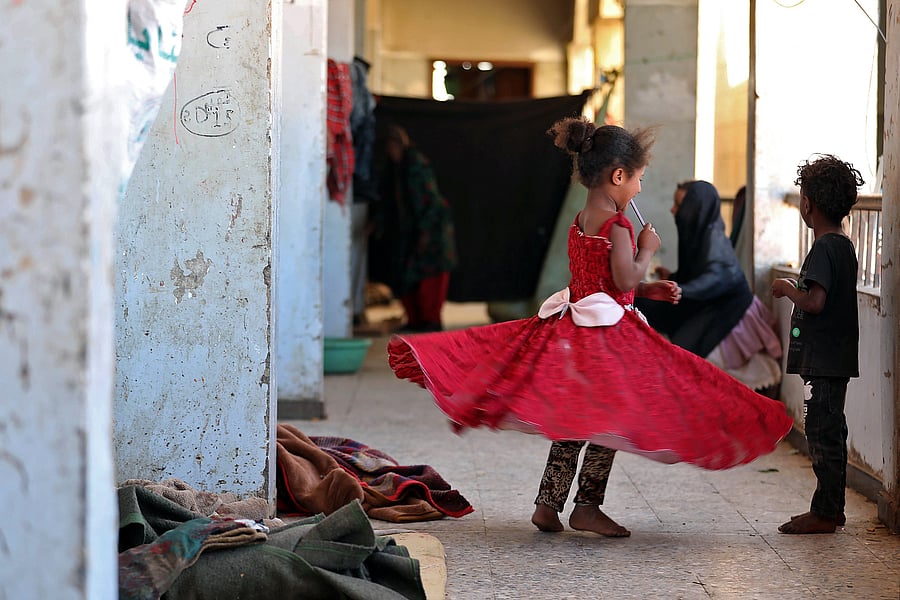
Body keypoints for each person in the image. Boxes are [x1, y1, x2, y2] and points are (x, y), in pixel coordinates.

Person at [387, 116, 793, 537]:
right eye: (638, 179)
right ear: (618, 175)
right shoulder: (618, 226)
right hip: (607, 341)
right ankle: (587, 506)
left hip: (577, 331)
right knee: (609, 422)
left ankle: (548, 504)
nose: (638, 188)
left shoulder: (582, 218)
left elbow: (597, 280)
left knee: (576, 419)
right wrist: (646, 250)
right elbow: (621, 280)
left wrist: (648, 289)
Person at [771, 154, 863, 534]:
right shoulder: (842, 245)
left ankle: (825, 512)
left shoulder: (824, 248)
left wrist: (787, 289)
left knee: (822, 436)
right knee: (831, 433)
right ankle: (831, 507)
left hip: (823, 359)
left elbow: (815, 302)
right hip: (834, 358)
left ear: (807, 204)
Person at [635, 180, 783, 394]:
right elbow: (696, 272)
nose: (674, 210)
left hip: (728, 310)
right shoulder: (696, 232)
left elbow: (717, 278)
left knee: (683, 351)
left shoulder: (712, 237)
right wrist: (674, 279)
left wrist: (683, 289)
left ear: (695, 207)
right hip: (710, 302)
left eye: (680, 205)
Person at [371, 124, 457, 332]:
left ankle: (430, 320)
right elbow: (389, 202)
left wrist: (426, 231)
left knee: (431, 277)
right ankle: (416, 320)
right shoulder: (394, 171)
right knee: (406, 276)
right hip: (410, 232)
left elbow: (430, 201)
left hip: (431, 230)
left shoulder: (416, 166)